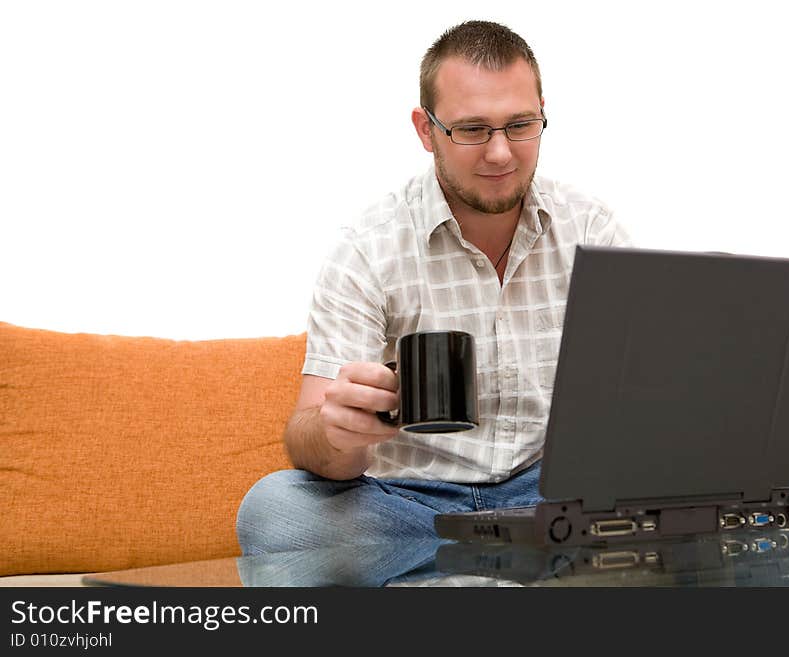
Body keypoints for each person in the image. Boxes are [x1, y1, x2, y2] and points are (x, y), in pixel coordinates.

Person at [236, 20, 631, 555]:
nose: (500, 153)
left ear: (542, 113)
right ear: (426, 130)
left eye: (520, 125)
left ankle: (457, 572)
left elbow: (634, 399)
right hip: (410, 504)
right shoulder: (366, 249)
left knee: (699, 495)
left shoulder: (591, 229)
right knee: (275, 510)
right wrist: (338, 435)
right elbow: (309, 440)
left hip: (553, 497)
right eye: (471, 129)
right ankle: (507, 565)